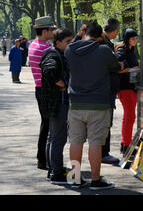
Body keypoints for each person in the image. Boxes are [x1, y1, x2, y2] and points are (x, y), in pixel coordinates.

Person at [65, 21, 121, 190]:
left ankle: (75, 178)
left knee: (75, 142)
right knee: (95, 143)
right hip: (98, 104)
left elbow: (72, 45)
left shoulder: (70, 50)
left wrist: (78, 35)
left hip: (75, 104)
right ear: (99, 37)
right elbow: (116, 66)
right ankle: (96, 180)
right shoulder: (103, 50)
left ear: (84, 33)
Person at [40, 28, 73, 184]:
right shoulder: (54, 54)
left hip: (54, 102)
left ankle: (53, 169)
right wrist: (63, 84)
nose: (70, 44)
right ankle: (57, 173)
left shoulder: (54, 53)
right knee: (58, 138)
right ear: (58, 42)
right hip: (57, 102)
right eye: (67, 42)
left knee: (53, 138)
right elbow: (49, 71)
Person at [28, 16, 56, 170]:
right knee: (49, 125)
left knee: (45, 124)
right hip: (47, 90)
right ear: (45, 31)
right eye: (51, 29)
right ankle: (44, 158)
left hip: (39, 88)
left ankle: (42, 158)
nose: (53, 32)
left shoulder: (33, 45)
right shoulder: (46, 49)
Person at [115, 28, 139, 155]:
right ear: (127, 39)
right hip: (125, 88)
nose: (135, 40)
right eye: (133, 38)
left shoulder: (131, 50)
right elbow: (117, 68)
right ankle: (126, 145)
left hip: (130, 87)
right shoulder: (121, 51)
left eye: (136, 38)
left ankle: (125, 143)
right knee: (130, 117)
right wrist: (131, 69)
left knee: (128, 116)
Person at [101, 18, 121, 165]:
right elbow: (111, 65)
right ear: (115, 31)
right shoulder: (104, 44)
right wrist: (119, 65)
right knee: (106, 122)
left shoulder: (106, 43)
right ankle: (104, 152)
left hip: (106, 90)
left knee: (105, 122)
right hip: (106, 90)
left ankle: (103, 151)